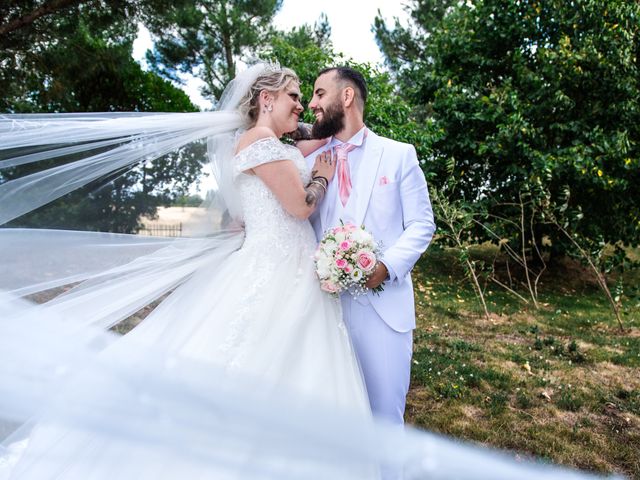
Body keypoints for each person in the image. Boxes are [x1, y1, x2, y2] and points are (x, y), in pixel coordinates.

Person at [0, 63, 377, 479]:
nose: (302, 106)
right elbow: (300, 205)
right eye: (294, 95)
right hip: (275, 267)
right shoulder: (259, 141)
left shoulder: (275, 142)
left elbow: (313, 136)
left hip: (292, 267)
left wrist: (334, 124)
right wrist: (322, 178)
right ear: (266, 99)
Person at [304, 67, 436, 428]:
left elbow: (422, 224)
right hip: (321, 310)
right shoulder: (307, 162)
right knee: (330, 421)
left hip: (383, 312)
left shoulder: (398, 155)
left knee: (384, 418)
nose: (311, 103)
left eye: (318, 93)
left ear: (346, 97)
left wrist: (386, 267)